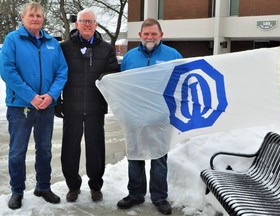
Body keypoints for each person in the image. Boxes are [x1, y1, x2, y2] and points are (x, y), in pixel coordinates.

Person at [0, 2, 68, 210]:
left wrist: (51, 95)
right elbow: (7, 71)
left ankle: (43, 187)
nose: (36, 18)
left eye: (39, 15)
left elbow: (62, 71)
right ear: (23, 18)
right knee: (18, 151)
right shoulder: (12, 40)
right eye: (32, 15)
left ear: (43, 19)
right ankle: (17, 191)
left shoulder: (52, 43)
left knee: (45, 149)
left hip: (46, 107)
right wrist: (31, 97)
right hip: (20, 107)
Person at [117, 18, 183, 215]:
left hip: (160, 117)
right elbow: (122, 84)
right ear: (140, 36)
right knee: (135, 156)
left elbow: (182, 82)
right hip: (134, 116)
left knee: (159, 158)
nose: (149, 37)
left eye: (154, 33)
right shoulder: (129, 57)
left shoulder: (173, 55)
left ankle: (159, 197)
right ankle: (135, 194)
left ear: (161, 35)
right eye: (146, 34)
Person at [60, 8, 119, 203]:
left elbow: (113, 73)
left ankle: (96, 186)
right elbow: (58, 75)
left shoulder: (106, 48)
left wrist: (105, 78)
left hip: (95, 107)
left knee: (96, 148)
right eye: (83, 21)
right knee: (70, 149)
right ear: (76, 24)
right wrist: (57, 101)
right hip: (72, 107)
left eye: (90, 21)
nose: (87, 24)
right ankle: (73, 186)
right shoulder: (65, 47)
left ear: (96, 25)